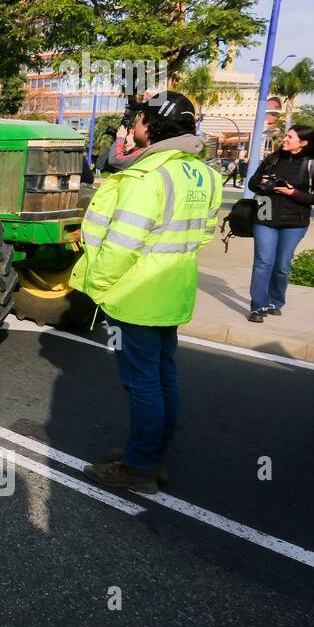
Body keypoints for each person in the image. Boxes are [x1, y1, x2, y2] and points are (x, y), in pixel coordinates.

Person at [73, 92, 222, 493]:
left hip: (136, 293)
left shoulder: (148, 175)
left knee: (142, 384)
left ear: (152, 126)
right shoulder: (204, 173)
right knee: (162, 377)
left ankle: (137, 467)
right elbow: (204, 233)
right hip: (172, 290)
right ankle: (151, 456)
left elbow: (122, 244)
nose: (133, 125)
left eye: (139, 118)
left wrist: (98, 285)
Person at [246, 125, 314, 323]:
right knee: (263, 262)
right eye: (285, 135)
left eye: (290, 137)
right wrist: (263, 182)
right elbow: (252, 184)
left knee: (282, 265)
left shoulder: (311, 165)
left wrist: (292, 192)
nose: (284, 139)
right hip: (265, 215)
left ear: (303, 143)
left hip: (294, 222)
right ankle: (258, 306)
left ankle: (275, 301)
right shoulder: (272, 159)